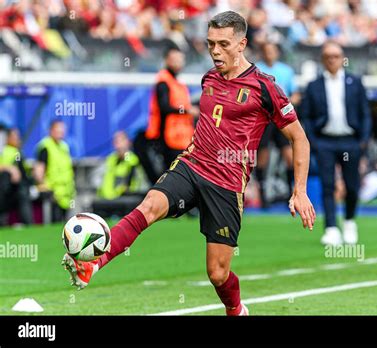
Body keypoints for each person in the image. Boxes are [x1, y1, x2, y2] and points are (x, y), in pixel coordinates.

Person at [62, 11, 315, 317]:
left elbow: (299, 138)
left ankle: (236, 309)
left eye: (223, 44)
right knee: (148, 207)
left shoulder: (266, 88)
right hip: (192, 165)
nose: (215, 51)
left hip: (227, 183)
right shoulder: (208, 78)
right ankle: (93, 262)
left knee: (218, 273)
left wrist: (299, 191)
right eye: (210, 44)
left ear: (242, 44)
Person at [301, 40, 371, 246]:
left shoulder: (354, 83)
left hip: (351, 141)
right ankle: (331, 227)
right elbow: (306, 116)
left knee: (352, 186)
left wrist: (363, 141)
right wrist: (313, 141)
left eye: (336, 56)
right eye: (328, 57)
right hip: (325, 142)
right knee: (328, 185)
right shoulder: (314, 86)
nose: (332, 60)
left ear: (342, 59)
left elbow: (365, 113)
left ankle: (349, 221)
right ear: (322, 60)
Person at [136, 47, 199, 184]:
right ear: (167, 60)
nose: (178, 63)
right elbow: (164, 107)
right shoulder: (163, 81)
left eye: (180, 59)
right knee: (171, 178)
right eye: (175, 59)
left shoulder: (178, 83)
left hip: (181, 139)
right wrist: (188, 110)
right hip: (167, 139)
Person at [255, 42, 300, 207]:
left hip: (282, 117)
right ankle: (263, 194)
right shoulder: (256, 69)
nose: (269, 54)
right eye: (266, 51)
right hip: (265, 118)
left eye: (272, 51)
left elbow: (295, 94)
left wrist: (287, 105)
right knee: (263, 157)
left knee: (289, 155)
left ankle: (291, 192)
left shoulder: (286, 71)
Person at [33, 120, 75, 222]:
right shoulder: (45, 146)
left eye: (62, 129)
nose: (61, 132)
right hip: (53, 194)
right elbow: (39, 171)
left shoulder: (64, 146)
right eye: (58, 129)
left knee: (66, 227)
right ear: (51, 130)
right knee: (53, 225)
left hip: (67, 194)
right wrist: (44, 186)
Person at [0, 128, 33, 225]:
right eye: (15, 137)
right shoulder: (5, 151)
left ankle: (28, 225)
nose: (17, 139)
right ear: (8, 138)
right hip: (6, 190)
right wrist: (10, 168)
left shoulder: (18, 152)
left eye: (18, 136)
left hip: (16, 189)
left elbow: (23, 171)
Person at [97, 131, 141, 200]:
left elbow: (134, 184)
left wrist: (125, 155)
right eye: (116, 142)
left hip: (124, 201)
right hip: (105, 200)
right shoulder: (111, 159)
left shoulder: (132, 160)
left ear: (128, 142)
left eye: (121, 141)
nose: (119, 145)